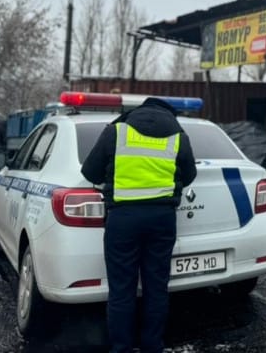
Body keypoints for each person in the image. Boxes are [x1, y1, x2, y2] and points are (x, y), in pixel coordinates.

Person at [81, 97, 197, 353]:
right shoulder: (178, 136)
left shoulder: (116, 131)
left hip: (123, 219)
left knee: (122, 290)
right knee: (157, 288)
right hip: (162, 219)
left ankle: (121, 348)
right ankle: (152, 346)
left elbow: (90, 172)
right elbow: (189, 175)